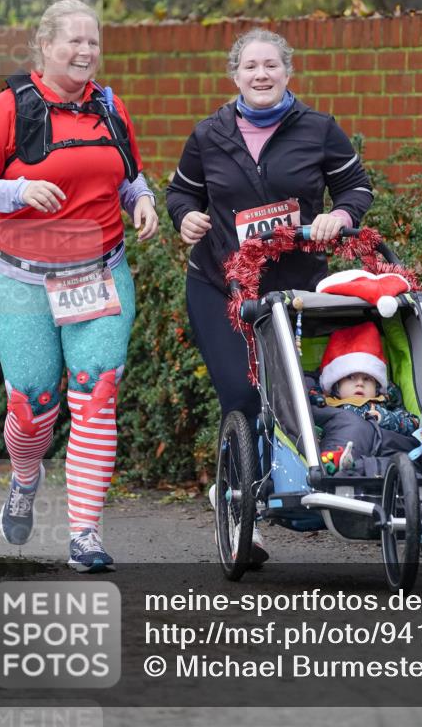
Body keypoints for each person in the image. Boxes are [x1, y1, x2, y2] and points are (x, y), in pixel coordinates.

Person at [0, 0, 158, 571]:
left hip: (97, 272)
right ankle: (25, 476)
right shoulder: (9, 108)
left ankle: (85, 535)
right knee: (34, 402)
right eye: (74, 41)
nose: (86, 52)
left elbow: (128, 173)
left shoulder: (111, 106)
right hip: (22, 281)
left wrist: (142, 200)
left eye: (93, 42)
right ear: (44, 47)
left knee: (97, 393)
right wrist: (19, 193)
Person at [166, 28, 374, 560]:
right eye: (251, 66)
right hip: (222, 286)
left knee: (293, 395)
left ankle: (289, 483)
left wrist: (339, 215)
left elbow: (357, 188)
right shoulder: (208, 134)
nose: (261, 75)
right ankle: (242, 510)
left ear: (288, 72)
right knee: (240, 394)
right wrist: (187, 217)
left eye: (271, 65)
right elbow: (182, 191)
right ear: (234, 75)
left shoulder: (319, 129)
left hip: (297, 292)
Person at [306, 321, 422, 475]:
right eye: (351, 378)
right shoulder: (328, 405)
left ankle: (410, 477)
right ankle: (337, 463)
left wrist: (385, 418)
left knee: (403, 456)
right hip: (347, 443)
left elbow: (413, 423)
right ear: (336, 386)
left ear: (377, 388)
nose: (360, 383)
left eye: (367, 379)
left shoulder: (385, 404)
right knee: (351, 427)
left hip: (386, 450)